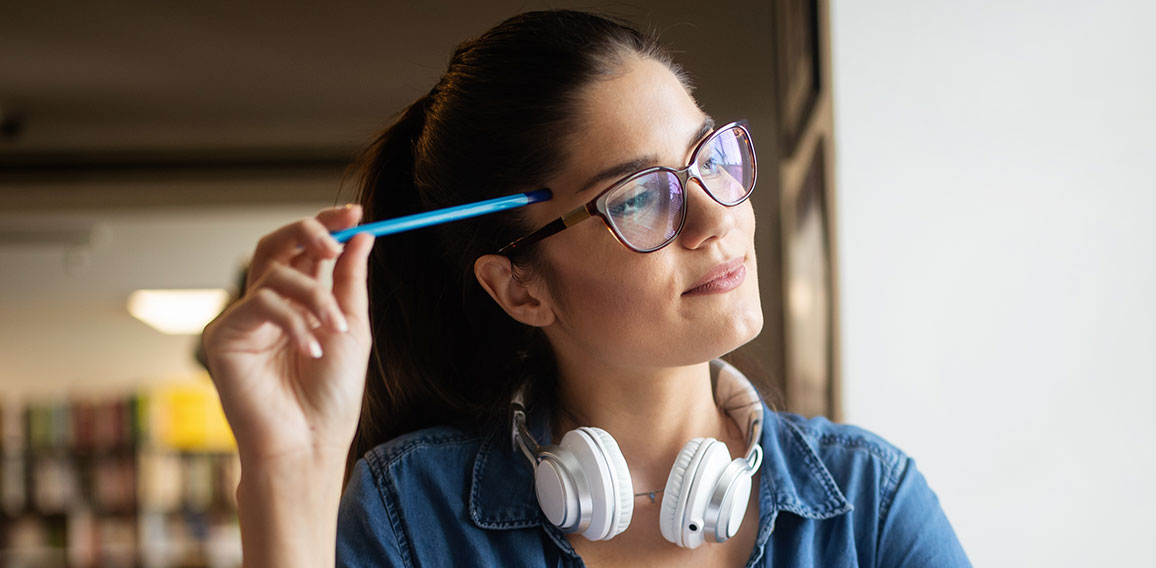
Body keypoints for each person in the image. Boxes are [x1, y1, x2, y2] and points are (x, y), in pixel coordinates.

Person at [201, 9, 971, 567]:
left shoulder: (867, 500)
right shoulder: (414, 513)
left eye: (709, 158)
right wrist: (284, 467)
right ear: (520, 289)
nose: (714, 216)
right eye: (637, 198)